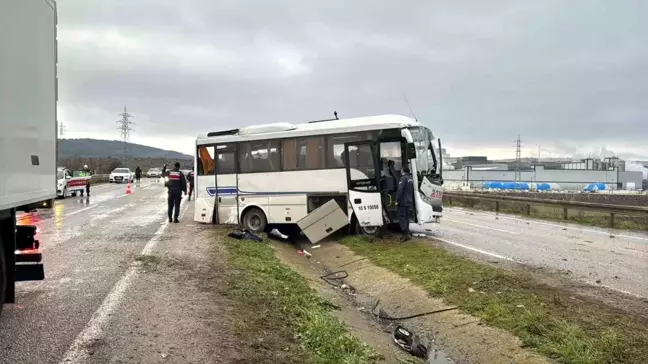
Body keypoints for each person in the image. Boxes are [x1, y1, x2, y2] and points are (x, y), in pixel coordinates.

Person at [395, 165, 414, 242]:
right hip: (409, 201)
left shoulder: (403, 178)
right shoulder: (410, 179)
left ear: (403, 171)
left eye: (401, 170)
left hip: (403, 201)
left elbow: (400, 190)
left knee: (401, 216)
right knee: (406, 217)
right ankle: (407, 233)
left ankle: (406, 234)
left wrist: (397, 200)